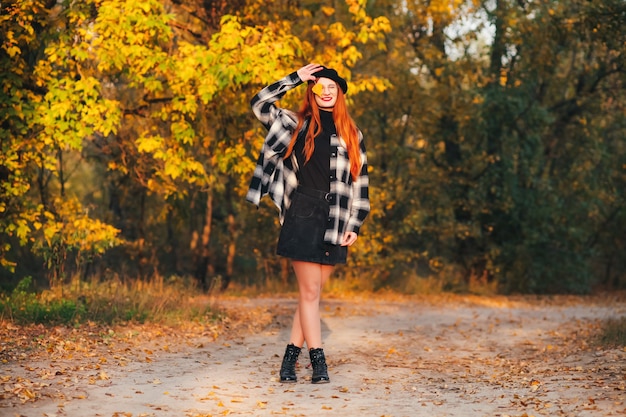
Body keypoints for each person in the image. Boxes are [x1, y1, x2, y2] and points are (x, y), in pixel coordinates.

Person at [246, 63, 370, 384]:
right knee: (310, 291)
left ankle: (289, 361)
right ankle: (319, 364)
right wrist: (294, 78)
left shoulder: (353, 134)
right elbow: (259, 104)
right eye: (320, 87)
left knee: (310, 296)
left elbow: (360, 184)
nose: (326, 92)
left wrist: (354, 223)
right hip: (303, 211)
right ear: (312, 92)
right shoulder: (295, 124)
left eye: (332, 87)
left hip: (338, 217)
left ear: (340, 93)